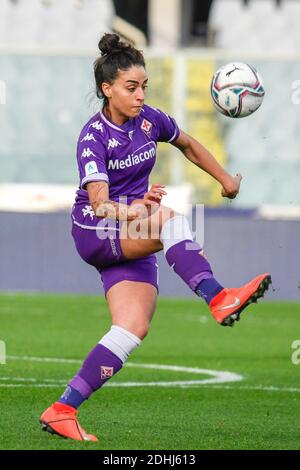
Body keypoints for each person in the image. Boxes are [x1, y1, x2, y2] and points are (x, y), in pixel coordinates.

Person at [40, 33, 271, 442]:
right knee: (168, 219)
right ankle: (218, 297)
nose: (140, 95)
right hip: (97, 229)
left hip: (130, 225)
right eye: (131, 88)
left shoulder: (149, 121)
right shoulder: (93, 137)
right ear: (106, 90)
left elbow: (187, 143)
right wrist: (129, 209)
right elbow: (98, 203)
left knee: (132, 328)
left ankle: (63, 408)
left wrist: (224, 180)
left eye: (144, 86)